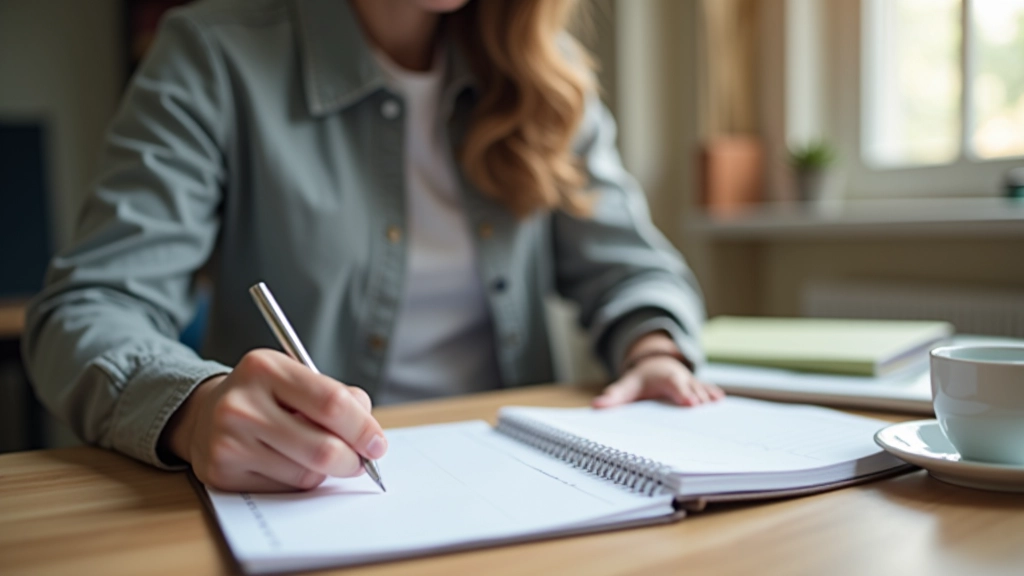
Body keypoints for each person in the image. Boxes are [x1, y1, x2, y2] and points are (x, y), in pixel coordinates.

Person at [22, 0, 722, 493]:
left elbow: (631, 268)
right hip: (312, 495)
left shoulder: (548, 72)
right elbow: (88, 308)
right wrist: (195, 406)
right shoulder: (213, 56)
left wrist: (653, 348)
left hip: (520, 489)